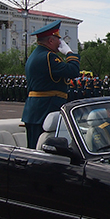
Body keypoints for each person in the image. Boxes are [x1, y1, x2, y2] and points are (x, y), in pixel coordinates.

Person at [21, 20, 80, 148]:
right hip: (46, 109)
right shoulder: (49, 57)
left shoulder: (35, 55)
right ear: (51, 41)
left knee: (33, 148)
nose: (60, 43)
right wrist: (70, 53)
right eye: (58, 39)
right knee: (43, 152)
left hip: (36, 110)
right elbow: (73, 71)